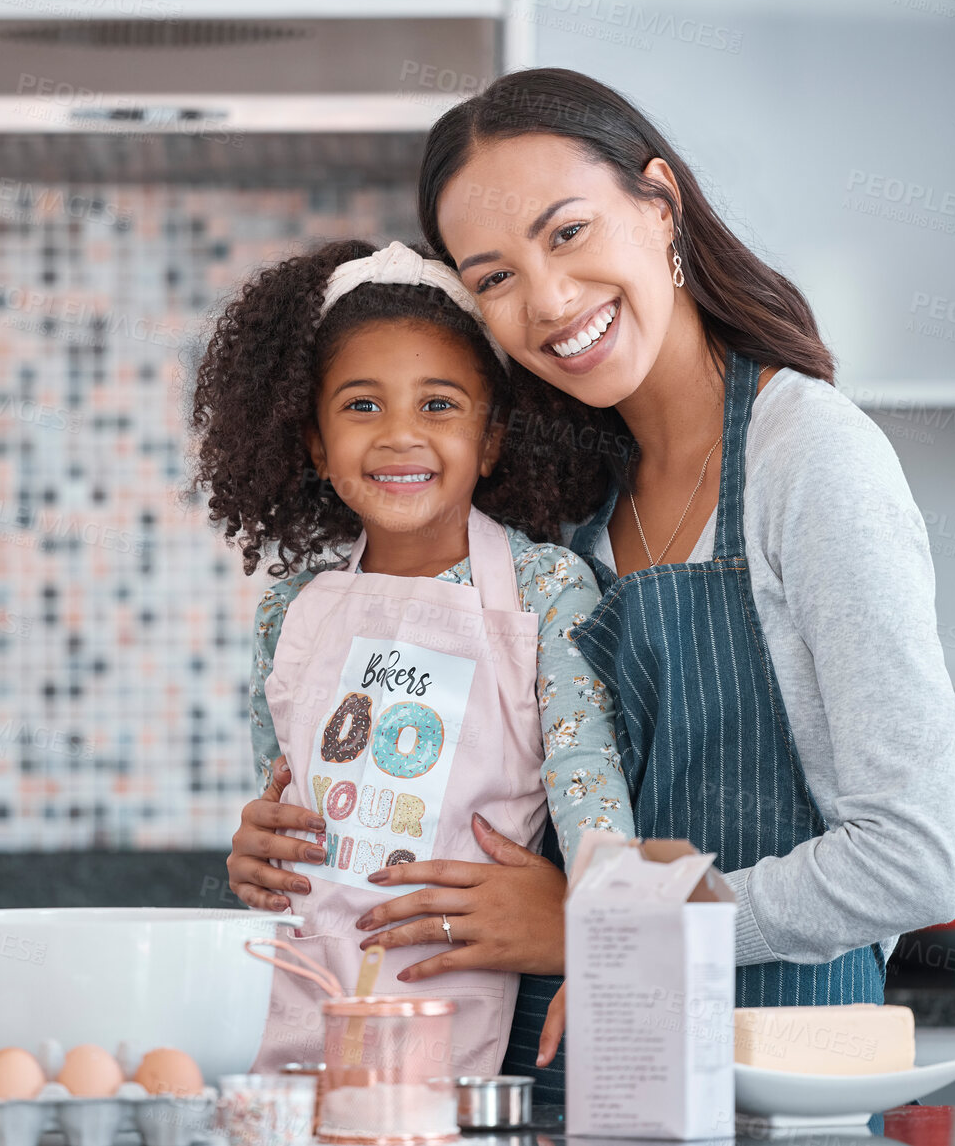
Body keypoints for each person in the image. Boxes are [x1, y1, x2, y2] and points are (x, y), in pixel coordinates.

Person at [225, 70, 955, 1099]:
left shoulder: (814, 464)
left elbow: (918, 860)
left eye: (567, 232)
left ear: (658, 203)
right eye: (492, 277)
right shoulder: (564, 498)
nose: (546, 300)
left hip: (770, 1072)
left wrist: (613, 926)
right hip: (553, 1074)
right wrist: (294, 833)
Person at [191, 238, 636, 1075]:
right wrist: (254, 853)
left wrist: (606, 938)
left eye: (438, 405)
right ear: (316, 444)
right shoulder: (292, 609)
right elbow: (287, 810)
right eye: (361, 406)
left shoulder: (543, 588)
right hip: (295, 996)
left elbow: (590, 791)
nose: (400, 436)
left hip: (454, 995)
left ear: (492, 437)